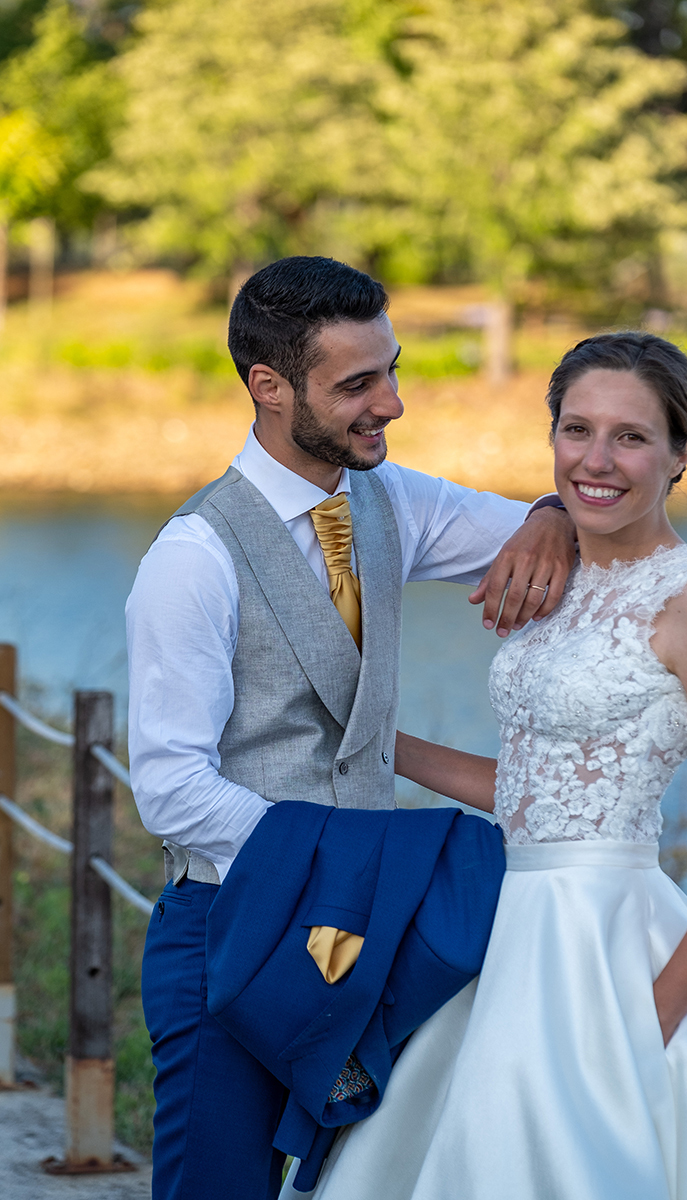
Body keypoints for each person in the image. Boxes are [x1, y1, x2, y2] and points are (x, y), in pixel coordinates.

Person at [282, 331, 687, 1200]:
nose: (596, 460)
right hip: (496, 927)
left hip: (604, 948)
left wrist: (654, 1013)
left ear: (682, 451)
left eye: (631, 437)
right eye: (575, 430)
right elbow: (531, 793)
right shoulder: (561, 581)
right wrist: (374, 740)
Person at [126, 255, 576, 1200]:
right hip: (231, 930)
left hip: (370, 936)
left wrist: (550, 514)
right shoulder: (194, 557)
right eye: (358, 384)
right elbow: (170, 789)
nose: (393, 403)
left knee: (370, 1185)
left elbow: (569, 540)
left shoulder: (391, 500)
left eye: (394, 370)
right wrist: (345, 860)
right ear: (270, 387)